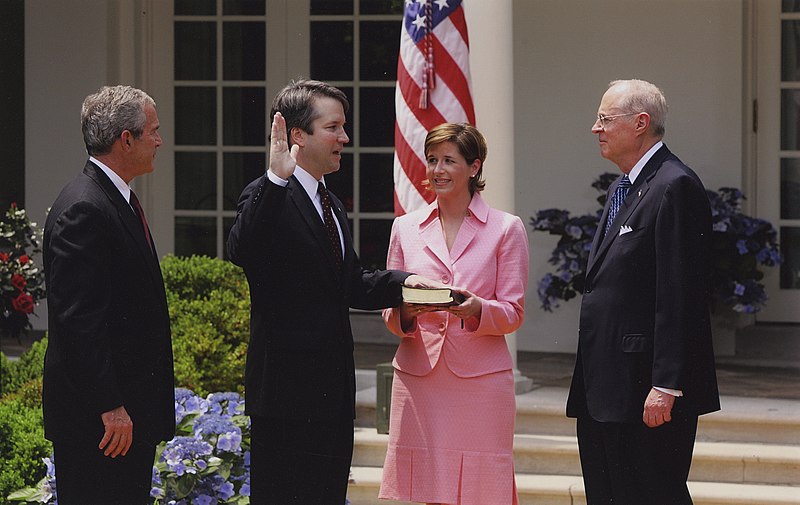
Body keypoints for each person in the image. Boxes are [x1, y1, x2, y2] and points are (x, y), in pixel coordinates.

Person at [226, 79, 432, 504]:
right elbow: (242, 249)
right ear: (296, 135)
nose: (345, 138)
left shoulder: (330, 202)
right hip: (285, 398)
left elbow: (349, 281)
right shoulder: (267, 195)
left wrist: (405, 284)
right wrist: (275, 180)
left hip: (331, 394)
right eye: (333, 127)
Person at [566, 79, 721, 504]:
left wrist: (667, 384)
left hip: (645, 389)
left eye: (604, 119)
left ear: (640, 123)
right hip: (605, 388)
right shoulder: (624, 187)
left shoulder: (674, 185)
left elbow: (681, 293)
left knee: (652, 494)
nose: (595, 128)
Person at [378, 123, 529, 505]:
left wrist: (477, 308)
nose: (437, 170)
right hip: (419, 380)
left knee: (481, 494)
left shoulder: (506, 228)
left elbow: (512, 313)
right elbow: (389, 311)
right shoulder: (405, 228)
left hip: (479, 382)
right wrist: (407, 312)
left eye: (449, 160)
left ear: (474, 167)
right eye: (432, 160)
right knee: (430, 490)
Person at [42, 85, 174, 504]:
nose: (159, 140)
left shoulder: (113, 199)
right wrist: (110, 405)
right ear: (126, 139)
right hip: (103, 426)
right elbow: (78, 321)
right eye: (152, 131)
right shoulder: (86, 207)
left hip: (122, 421)